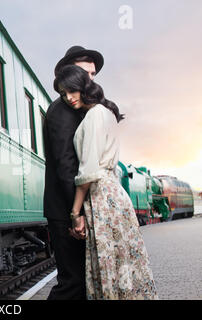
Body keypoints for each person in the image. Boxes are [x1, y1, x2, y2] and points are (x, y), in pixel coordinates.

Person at [54, 64, 159, 300]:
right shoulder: (107, 112)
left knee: (107, 265)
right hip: (114, 194)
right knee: (124, 263)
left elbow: (88, 171)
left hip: (102, 196)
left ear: (83, 86)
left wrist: (75, 212)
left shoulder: (94, 115)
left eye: (71, 90)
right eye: (63, 94)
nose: (68, 98)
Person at [43, 46, 104, 300]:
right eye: (85, 72)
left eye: (93, 74)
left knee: (79, 284)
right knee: (72, 284)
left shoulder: (79, 109)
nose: (90, 78)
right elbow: (66, 167)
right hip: (65, 209)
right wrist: (75, 214)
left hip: (72, 207)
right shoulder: (62, 111)